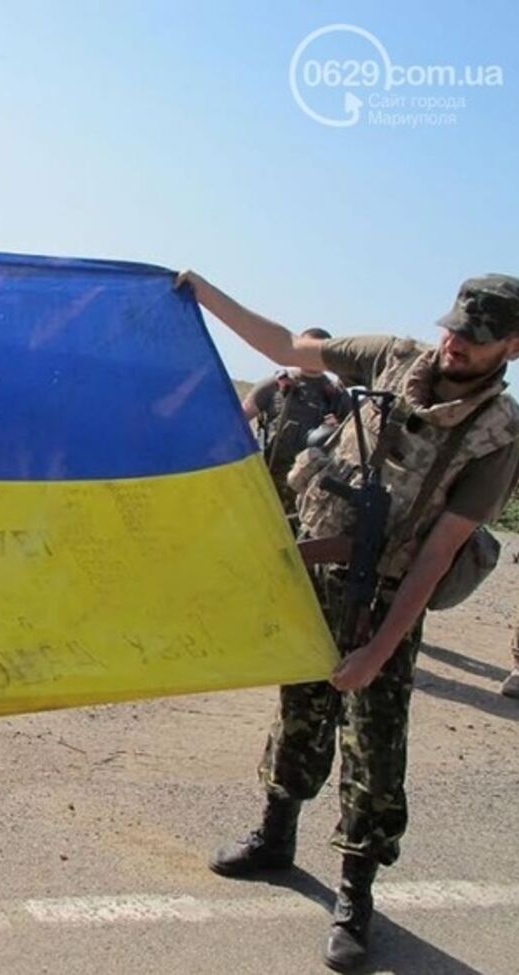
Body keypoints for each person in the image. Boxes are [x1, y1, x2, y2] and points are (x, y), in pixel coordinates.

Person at [177, 270, 519, 972]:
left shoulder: (496, 435)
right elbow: (284, 344)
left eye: (476, 339)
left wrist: (376, 650)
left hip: (388, 594)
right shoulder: (391, 357)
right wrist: (200, 291)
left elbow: (438, 555)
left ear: (511, 347)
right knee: (298, 708)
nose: (455, 343)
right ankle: (276, 837)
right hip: (316, 574)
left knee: (374, 743)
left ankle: (355, 891)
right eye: (454, 327)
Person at [241, 327, 349, 514]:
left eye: (319, 351)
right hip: (270, 479)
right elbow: (238, 421)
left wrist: (338, 430)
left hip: (313, 486)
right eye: (308, 350)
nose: (312, 357)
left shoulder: (336, 394)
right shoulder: (274, 386)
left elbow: (354, 441)